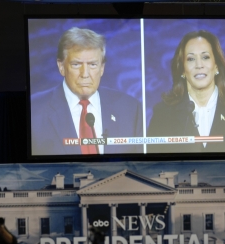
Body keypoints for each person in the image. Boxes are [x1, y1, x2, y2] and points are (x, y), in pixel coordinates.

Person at [30, 27, 142, 156]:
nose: (85, 74)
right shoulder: (34, 110)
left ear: (102, 68)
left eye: (93, 64)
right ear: (61, 67)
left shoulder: (130, 109)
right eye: (76, 64)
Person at [147, 30, 225, 154]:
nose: (199, 65)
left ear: (216, 66)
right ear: (182, 69)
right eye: (191, 59)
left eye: (205, 57)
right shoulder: (163, 115)